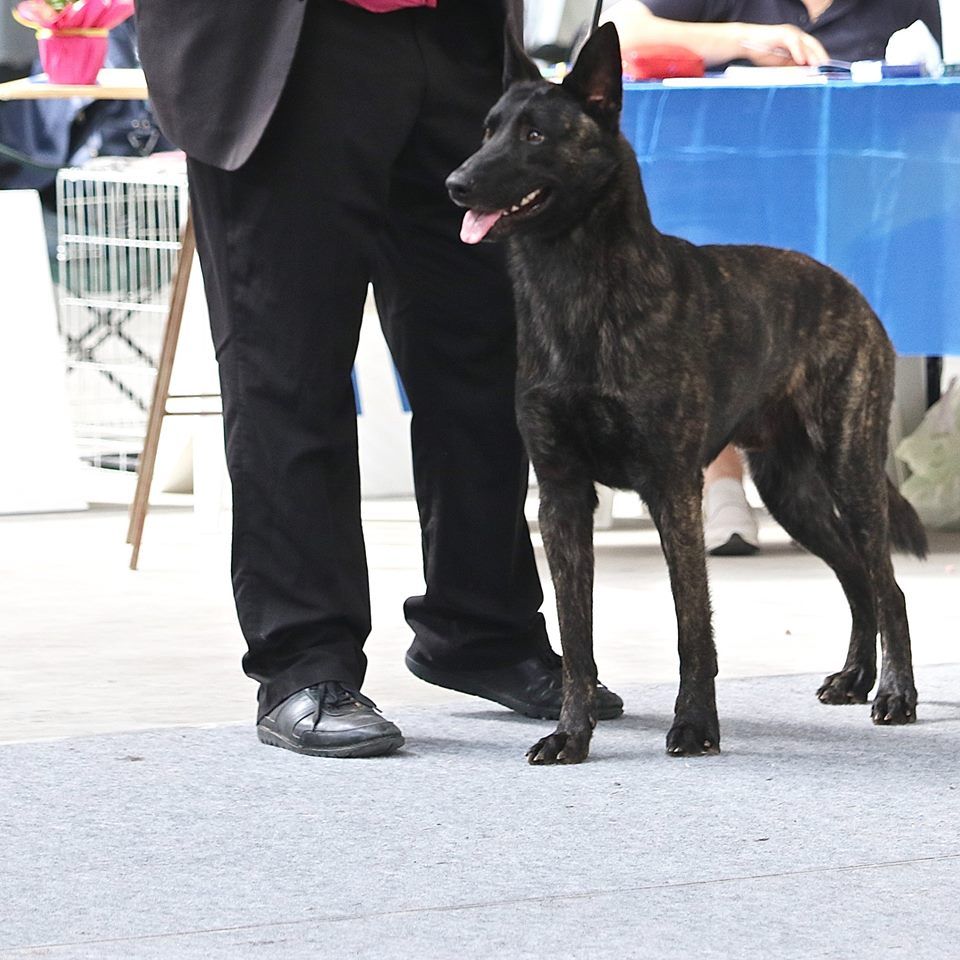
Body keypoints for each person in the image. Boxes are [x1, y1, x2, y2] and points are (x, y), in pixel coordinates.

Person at [134, 0, 623, 759]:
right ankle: (305, 663)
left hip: (457, 31)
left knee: (488, 354)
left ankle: (483, 628)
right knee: (288, 360)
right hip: (288, 38)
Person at [603, 0, 943, 555]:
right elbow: (620, 34)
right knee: (709, 296)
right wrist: (744, 41)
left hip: (849, 196)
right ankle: (721, 483)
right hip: (724, 191)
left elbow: (924, 92)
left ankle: (849, 476)